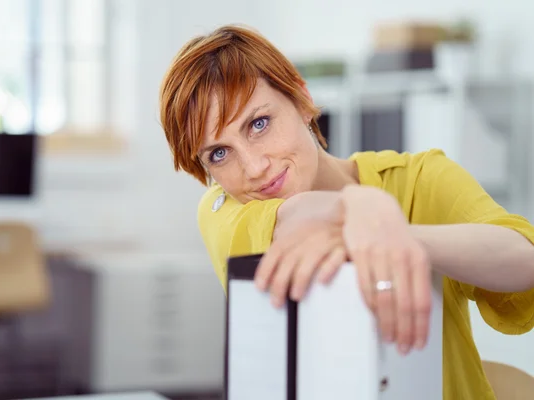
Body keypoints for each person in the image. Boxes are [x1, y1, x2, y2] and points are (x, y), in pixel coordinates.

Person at [158, 24, 534, 399]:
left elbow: (524, 260)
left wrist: (403, 239)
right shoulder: (223, 207)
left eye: (259, 123)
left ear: (302, 101)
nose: (254, 167)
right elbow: (292, 220)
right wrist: (358, 206)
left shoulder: (420, 180)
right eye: (219, 153)